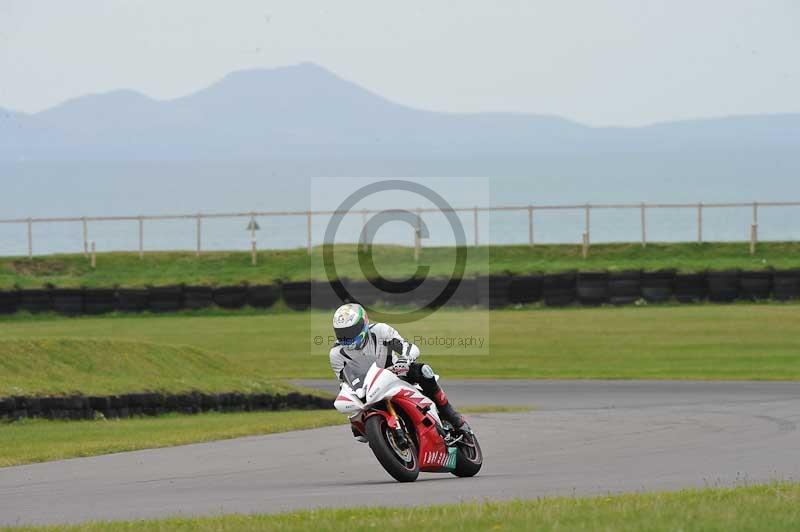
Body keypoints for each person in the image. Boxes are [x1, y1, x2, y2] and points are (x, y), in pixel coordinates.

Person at [329, 302, 466, 437]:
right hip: (367, 389)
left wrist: (404, 359)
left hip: (395, 373)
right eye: (342, 333)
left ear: (363, 324)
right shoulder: (336, 354)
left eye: (351, 331)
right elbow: (345, 382)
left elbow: (407, 347)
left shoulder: (380, 331)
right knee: (357, 430)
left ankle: (450, 414)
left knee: (424, 371)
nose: (347, 336)